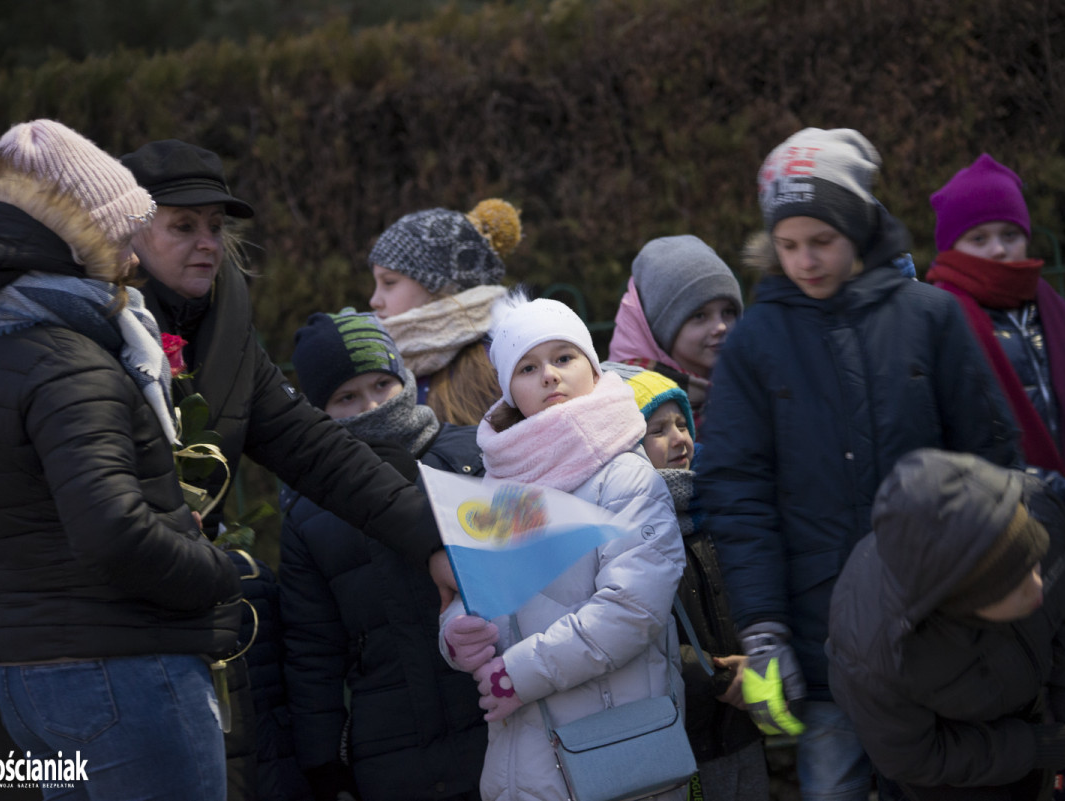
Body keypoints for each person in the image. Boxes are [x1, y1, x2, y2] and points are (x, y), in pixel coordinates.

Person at [120, 138, 456, 800]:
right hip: (98, 640)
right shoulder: (92, 333)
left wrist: (435, 541)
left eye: (216, 226)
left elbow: (320, 452)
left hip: (183, 625)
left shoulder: (226, 332)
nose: (207, 242)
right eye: (183, 226)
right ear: (128, 232)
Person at [695, 127, 1021, 801]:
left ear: (860, 227)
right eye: (787, 245)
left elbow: (991, 462)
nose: (805, 260)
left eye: (822, 241)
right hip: (822, 654)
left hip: (940, 633)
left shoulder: (930, 318)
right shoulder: (755, 342)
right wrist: (764, 630)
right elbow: (738, 493)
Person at [0, 120, 242, 800]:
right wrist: (218, 572)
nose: (130, 258)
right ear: (65, 236)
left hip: (32, 684)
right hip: (124, 673)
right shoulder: (71, 362)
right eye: (114, 233)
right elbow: (111, 528)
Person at [927, 154, 1065, 800]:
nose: (999, 249)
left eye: (1009, 234)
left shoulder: (1055, 310)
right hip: (992, 557)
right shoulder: (939, 317)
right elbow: (953, 438)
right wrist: (1054, 498)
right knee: (1012, 728)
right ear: (951, 244)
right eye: (980, 238)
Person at [438, 293, 687, 801]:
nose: (548, 375)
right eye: (527, 367)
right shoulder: (498, 485)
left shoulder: (626, 477)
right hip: (522, 760)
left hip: (616, 747)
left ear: (594, 370)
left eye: (564, 357)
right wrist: (456, 632)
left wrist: (517, 674)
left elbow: (631, 609)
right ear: (510, 391)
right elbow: (484, 594)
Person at [280, 308, 487, 801]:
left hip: (499, 722)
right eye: (346, 398)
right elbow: (312, 652)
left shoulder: (472, 457)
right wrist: (322, 761)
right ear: (318, 412)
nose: (370, 407)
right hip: (397, 759)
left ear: (405, 379)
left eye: (381, 385)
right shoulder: (309, 515)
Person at [827, 449, 1065, 800]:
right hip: (946, 780)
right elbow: (917, 757)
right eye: (1013, 585)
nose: (1037, 588)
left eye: (1035, 563)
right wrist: (1037, 747)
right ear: (962, 602)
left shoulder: (1032, 503)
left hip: (1024, 718)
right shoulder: (875, 654)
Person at [603, 361, 768, 800]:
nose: (680, 438)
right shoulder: (624, 529)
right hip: (679, 736)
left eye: (682, 422)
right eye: (658, 429)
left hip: (742, 729)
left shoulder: (717, 512)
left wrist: (755, 662)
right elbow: (635, 634)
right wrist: (715, 678)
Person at [368, 199, 521, 426]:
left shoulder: (503, 360)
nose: (374, 300)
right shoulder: (376, 365)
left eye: (389, 282)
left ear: (442, 285)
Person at [607, 234, 743, 434]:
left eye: (728, 312)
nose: (720, 326)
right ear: (660, 329)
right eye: (699, 316)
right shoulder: (630, 404)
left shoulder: (748, 379)